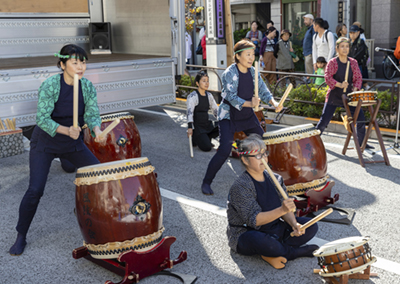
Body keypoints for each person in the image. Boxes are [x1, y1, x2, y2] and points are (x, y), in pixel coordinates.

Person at [9, 44, 106, 256]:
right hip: (46, 142)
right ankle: (21, 235)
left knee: (100, 176)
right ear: (62, 65)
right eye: (75, 62)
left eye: (83, 62)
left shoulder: (87, 86)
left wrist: (97, 130)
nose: (80, 67)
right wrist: (64, 129)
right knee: (35, 190)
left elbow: (91, 115)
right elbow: (41, 119)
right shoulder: (51, 85)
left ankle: (95, 220)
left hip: (72, 143)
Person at [201, 39, 282, 195]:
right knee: (224, 149)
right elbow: (230, 96)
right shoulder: (229, 73)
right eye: (248, 54)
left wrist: (274, 102)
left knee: (262, 144)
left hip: (247, 116)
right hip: (229, 116)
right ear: (238, 56)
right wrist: (249, 103)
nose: (252, 58)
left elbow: (264, 91)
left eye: (253, 54)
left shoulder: (253, 72)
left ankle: (269, 179)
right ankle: (206, 182)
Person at [227, 134, 319, 269]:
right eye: (258, 156)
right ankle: (291, 252)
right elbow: (255, 220)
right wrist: (281, 210)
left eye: (264, 154)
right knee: (262, 241)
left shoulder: (275, 178)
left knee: (310, 226)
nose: (263, 158)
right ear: (245, 160)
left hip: (274, 229)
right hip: (247, 233)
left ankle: (272, 252)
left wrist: (294, 224)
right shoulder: (241, 186)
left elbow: (285, 209)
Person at [315, 37, 374, 149]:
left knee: (360, 118)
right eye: (342, 46)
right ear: (337, 49)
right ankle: (313, 141)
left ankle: (361, 143)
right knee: (324, 121)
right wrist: (339, 84)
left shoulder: (353, 62)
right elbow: (327, 77)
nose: (345, 49)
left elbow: (358, 78)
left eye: (347, 46)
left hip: (349, 96)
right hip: (334, 95)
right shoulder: (332, 62)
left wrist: (355, 90)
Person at [187, 72, 219, 152]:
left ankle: (206, 138)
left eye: (207, 81)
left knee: (223, 125)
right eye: (204, 81)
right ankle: (196, 137)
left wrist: (224, 119)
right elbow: (189, 112)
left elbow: (215, 110)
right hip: (198, 127)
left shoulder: (209, 96)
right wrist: (190, 127)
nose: (206, 83)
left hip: (206, 125)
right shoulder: (192, 96)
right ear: (197, 83)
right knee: (207, 148)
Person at [302, 14, 315, 78]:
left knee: (310, 73)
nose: (305, 21)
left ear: (311, 20)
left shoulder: (313, 29)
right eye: (304, 20)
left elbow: (314, 41)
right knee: (308, 72)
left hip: (310, 53)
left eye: (306, 20)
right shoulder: (309, 29)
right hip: (307, 53)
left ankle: (311, 85)